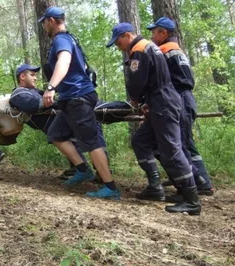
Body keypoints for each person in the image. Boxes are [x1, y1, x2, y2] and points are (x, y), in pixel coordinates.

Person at [106, 22, 201, 214]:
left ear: (126, 36)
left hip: (163, 102)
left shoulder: (139, 49)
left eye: (118, 42)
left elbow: (137, 81)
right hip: (161, 100)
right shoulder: (150, 46)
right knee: (140, 141)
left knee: (172, 149)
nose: (118, 47)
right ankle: (155, 187)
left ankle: (191, 200)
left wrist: (134, 100)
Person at [39, 7, 120, 199]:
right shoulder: (71, 39)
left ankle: (110, 188)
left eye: (44, 22)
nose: (43, 27)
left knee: (91, 142)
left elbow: (64, 61)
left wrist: (51, 87)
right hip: (70, 99)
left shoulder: (61, 40)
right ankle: (83, 170)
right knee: (56, 134)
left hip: (78, 98)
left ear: (51, 21)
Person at [147, 17, 214, 198]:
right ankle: (202, 182)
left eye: (155, 32)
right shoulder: (177, 50)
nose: (152, 36)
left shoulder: (164, 50)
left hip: (178, 99)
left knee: (178, 145)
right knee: (186, 143)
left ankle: (195, 183)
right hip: (187, 99)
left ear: (164, 33)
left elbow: (157, 78)